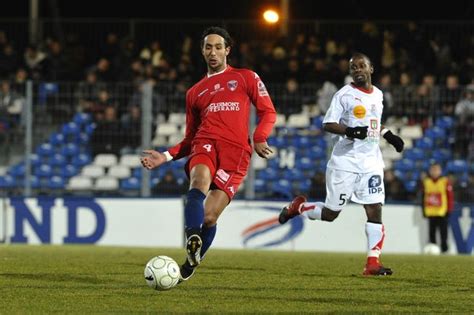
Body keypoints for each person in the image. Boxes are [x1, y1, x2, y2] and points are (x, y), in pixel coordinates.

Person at [140, 26, 276, 282]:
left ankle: (190, 264)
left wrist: (259, 137)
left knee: (211, 216)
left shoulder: (246, 77)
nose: (212, 52)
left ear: (227, 50)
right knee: (198, 182)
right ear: (202, 52)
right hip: (205, 144)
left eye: (217, 47)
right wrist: (166, 156)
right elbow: (190, 138)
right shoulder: (194, 92)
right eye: (207, 47)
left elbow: (268, 111)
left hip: (236, 153)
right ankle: (192, 236)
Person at [278, 52, 404, 276]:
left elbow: (374, 121)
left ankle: (372, 263)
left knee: (375, 208)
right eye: (353, 67)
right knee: (331, 213)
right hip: (345, 162)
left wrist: (388, 135)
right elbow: (328, 123)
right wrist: (350, 131)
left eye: (361, 66)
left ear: (371, 69)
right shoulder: (344, 95)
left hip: (371, 162)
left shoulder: (378, 94)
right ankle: (299, 207)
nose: (357, 70)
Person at [421, 162, 454, 253]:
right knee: (431, 232)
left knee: (444, 232)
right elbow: (423, 197)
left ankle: (444, 249)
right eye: (433, 169)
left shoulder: (444, 181)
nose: (434, 172)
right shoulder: (426, 182)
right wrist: (423, 210)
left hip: (442, 211)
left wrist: (449, 209)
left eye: (436, 169)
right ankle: (433, 249)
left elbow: (449, 196)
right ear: (430, 171)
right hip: (430, 211)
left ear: (440, 171)